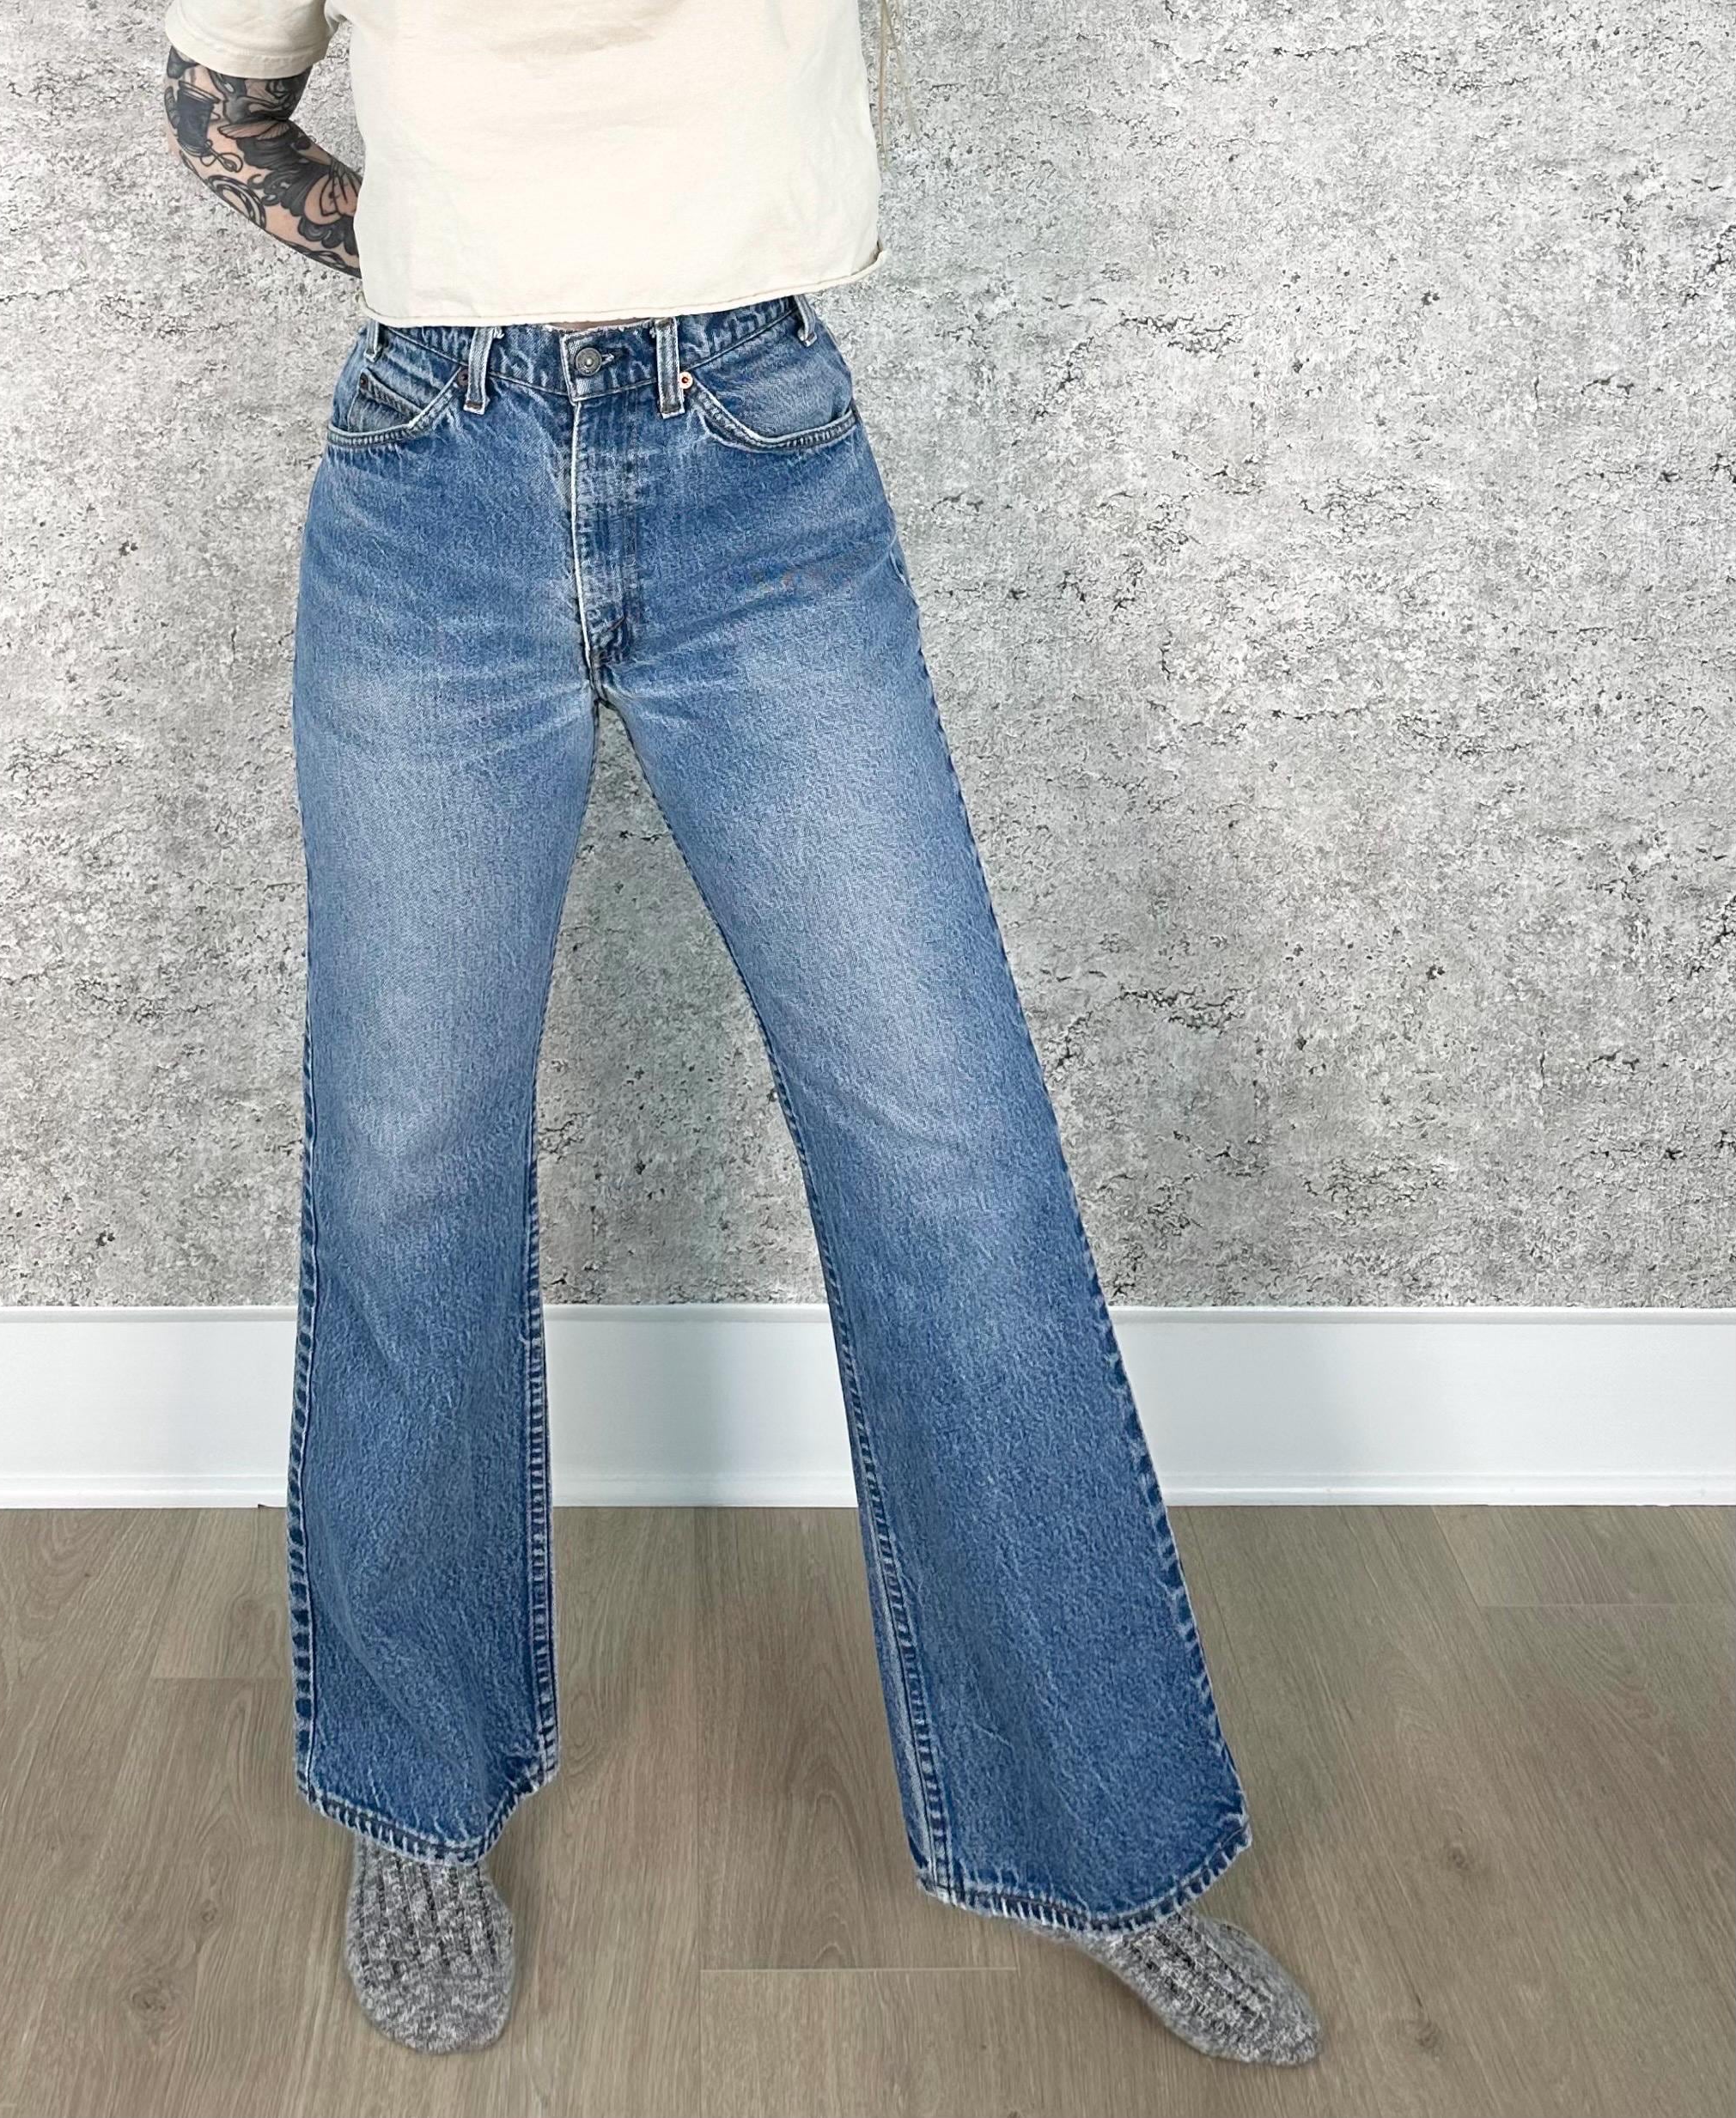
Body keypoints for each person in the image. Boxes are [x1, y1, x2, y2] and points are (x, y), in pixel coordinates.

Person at [159, 0, 1323, 2068]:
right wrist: (442, 252)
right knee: (407, 1165)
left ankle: (1104, 1838)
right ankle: (416, 1800)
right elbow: (221, 107)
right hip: (431, 470)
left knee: (948, 1159)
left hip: (758, 460)